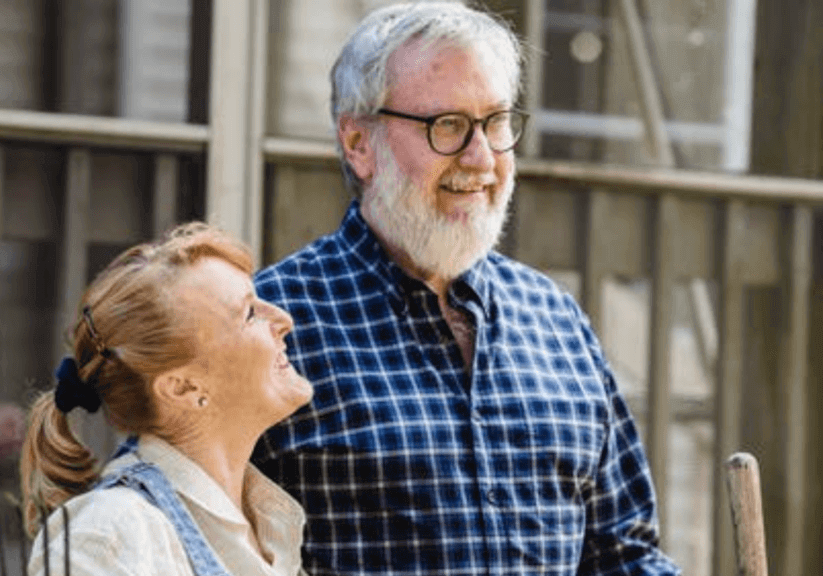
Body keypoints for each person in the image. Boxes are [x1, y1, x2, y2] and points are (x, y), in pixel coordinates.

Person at [252, 2, 681, 575]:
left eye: (496, 121)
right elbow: (176, 522)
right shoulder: (271, 325)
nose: (482, 159)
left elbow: (621, 556)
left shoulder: (556, 320)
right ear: (358, 143)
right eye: (447, 125)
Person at [20, 222, 313, 576]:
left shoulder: (266, 528)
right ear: (183, 388)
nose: (284, 319)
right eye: (249, 313)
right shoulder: (108, 535)